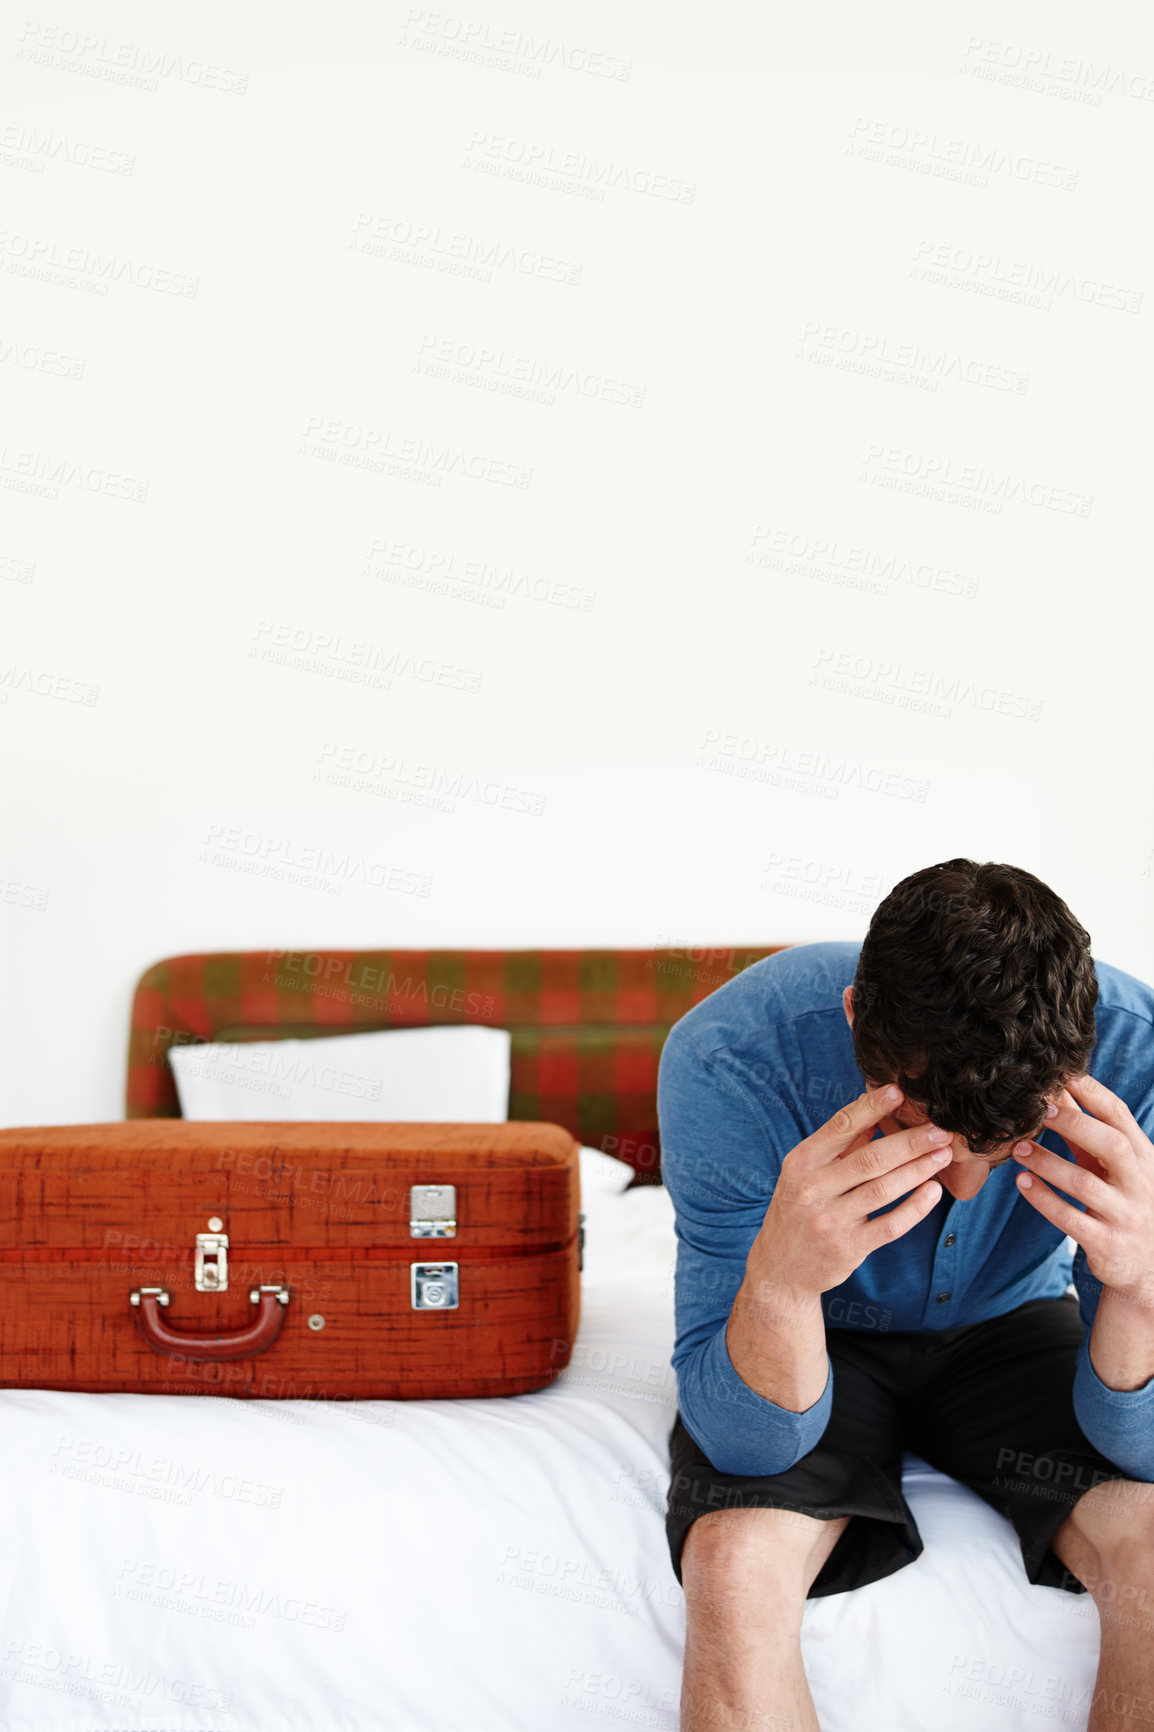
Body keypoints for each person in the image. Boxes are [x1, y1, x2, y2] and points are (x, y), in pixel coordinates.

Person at [658, 860, 1154, 1732]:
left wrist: (1144, 1284)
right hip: (819, 1333)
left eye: (1004, 1147)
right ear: (857, 1020)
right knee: (734, 1565)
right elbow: (750, 1445)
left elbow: (1144, 1448)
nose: (964, 1190)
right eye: (919, 1128)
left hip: (1014, 1323)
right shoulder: (730, 1056)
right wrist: (779, 1282)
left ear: (1079, 1058)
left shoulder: (1138, 1055)